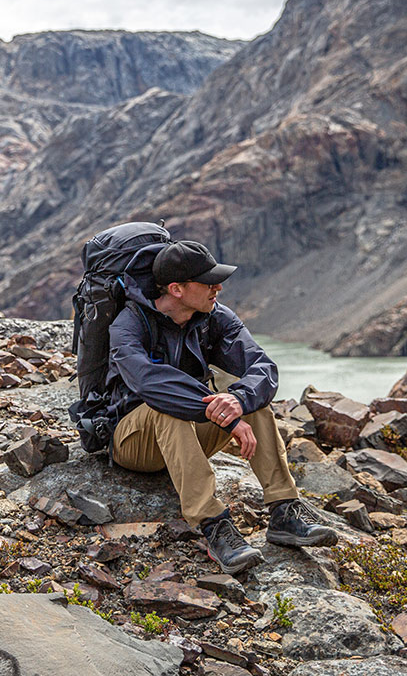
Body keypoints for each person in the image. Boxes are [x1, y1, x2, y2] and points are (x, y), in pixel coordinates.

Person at [106, 240, 337, 573]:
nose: (219, 287)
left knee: (250, 401)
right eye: (208, 281)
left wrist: (237, 400)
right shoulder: (129, 325)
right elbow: (150, 384)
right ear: (177, 289)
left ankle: (285, 510)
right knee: (168, 408)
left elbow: (262, 366)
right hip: (134, 442)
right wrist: (223, 417)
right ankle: (213, 524)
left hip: (187, 436)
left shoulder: (213, 317)